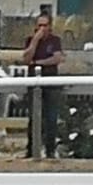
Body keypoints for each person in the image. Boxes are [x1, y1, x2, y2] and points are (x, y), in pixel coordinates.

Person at [20, 12, 65, 159]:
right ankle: (31, 149)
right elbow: (26, 59)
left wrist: (38, 62)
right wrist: (35, 41)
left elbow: (57, 58)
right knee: (34, 118)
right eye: (39, 25)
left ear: (50, 26)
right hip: (34, 83)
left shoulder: (55, 40)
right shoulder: (30, 40)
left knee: (51, 118)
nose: (42, 28)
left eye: (45, 25)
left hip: (51, 83)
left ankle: (50, 150)